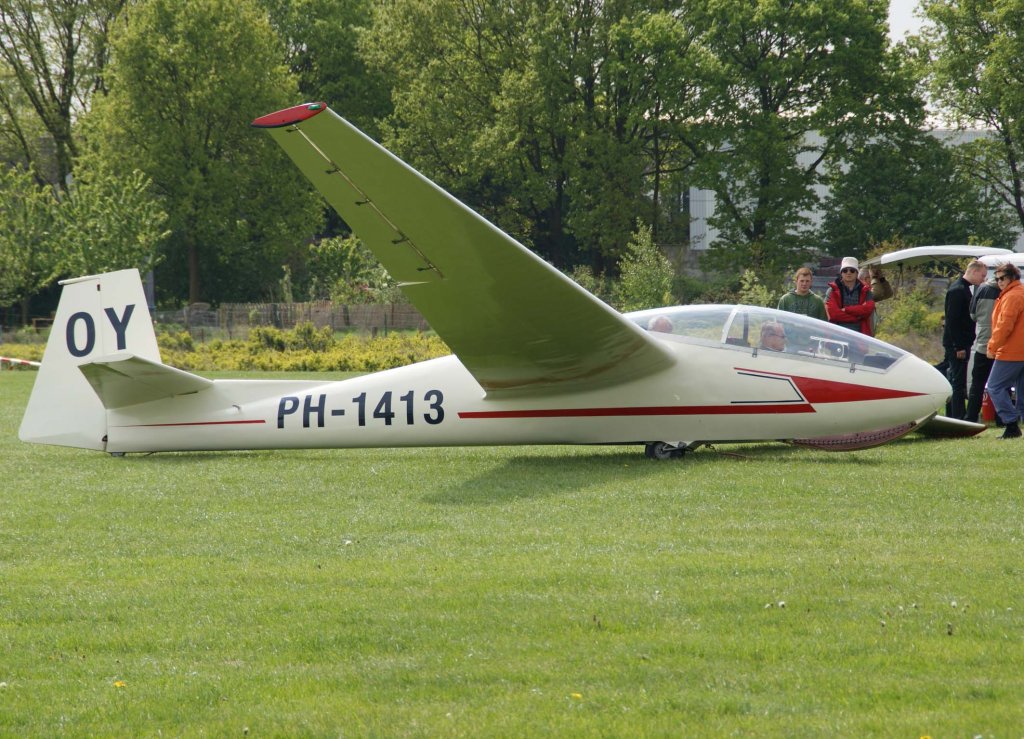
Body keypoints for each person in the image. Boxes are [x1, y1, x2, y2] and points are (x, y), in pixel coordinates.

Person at [943, 260, 989, 419]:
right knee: (958, 383)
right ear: (974, 272)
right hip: (958, 344)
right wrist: (958, 346)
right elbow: (952, 320)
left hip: (962, 342)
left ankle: (954, 415)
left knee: (956, 380)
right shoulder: (958, 290)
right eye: (982, 275)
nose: (983, 279)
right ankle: (957, 416)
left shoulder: (964, 289)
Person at [985, 262, 1024, 438]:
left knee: (994, 386)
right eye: (997, 279)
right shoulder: (1018, 293)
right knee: (1021, 391)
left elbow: (1004, 325)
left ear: (1012, 277)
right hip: (1019, 350)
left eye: (1002, 278)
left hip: (1012, 351)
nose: (999, 281)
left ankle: (1011, 423)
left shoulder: (1012, 296)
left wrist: (993, 346)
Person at [966, 268, 1001, 423]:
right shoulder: (1008, 292)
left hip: (982, 343)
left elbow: (972, 314)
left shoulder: (982, 289)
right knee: (1002, 385)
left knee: (977, 384)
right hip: (1001, 346)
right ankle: (1003, 418)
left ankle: (971, 417)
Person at [825, 257, 875, 335]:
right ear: (841, 273)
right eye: (845, 270)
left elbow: (868, 310)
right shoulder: (832, 290)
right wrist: (858, 317)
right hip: (836, 335)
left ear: (857, 273)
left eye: (852, 270)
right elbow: (833, 315)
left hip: (860, 336)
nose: (848, 273)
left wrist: (846, 310)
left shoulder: (866, 291)